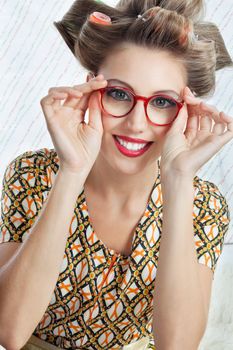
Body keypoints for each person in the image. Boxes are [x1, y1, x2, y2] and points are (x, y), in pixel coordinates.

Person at [0, 0, 233, 349]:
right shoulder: (33, 174)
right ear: (90, 88)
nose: (136, 124)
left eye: (163, 102)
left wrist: (179, 180)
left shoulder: (204, 204)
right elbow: (10, 332)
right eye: (119, 94)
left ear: (187, 111)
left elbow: (178, 345)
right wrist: (71, 171)